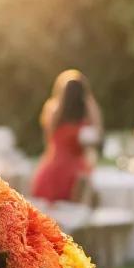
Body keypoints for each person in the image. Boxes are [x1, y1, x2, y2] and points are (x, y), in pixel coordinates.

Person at [30, 70, 102, 203]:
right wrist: (91, 104)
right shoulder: (83, 128)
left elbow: (48, 141)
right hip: (73, 178)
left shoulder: (53, 114)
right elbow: (97, 136)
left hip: (49, 172)